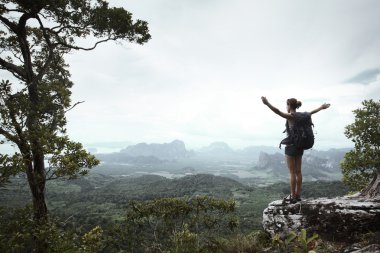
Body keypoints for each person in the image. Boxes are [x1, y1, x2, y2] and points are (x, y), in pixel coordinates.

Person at [261, 96, 330, 204]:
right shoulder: (303, 116)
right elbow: (312, 112)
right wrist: (321, 107)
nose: (286, 107)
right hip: (300, 146)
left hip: (291, 147)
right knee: (298, 172)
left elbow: (278, 112)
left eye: (286, 105)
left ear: (289, 105)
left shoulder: (290, 116)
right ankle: (298, 195)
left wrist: (267, 103)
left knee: (292, 172)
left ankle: (293, 196)